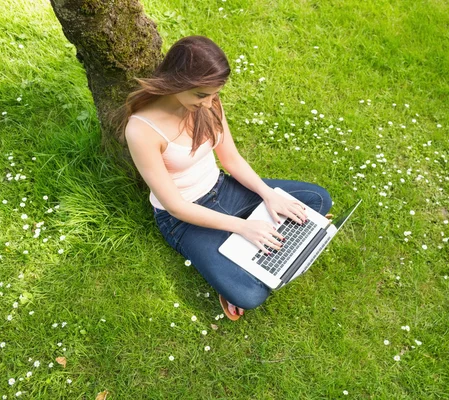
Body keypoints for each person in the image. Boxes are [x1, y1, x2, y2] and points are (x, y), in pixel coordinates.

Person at [120, 36, 332, 320]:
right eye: (201, 95)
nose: (209, 103)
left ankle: (244, 247)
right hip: (184, 220)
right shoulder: (142, 129)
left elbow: (230, 159)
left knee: (319, 199)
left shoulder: (209, 104)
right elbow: (175, 207)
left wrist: (268, 194)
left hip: (223, 189)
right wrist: (244, 227)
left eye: (213, 94)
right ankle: (245, 247)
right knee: (249, 295)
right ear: (177, 81)